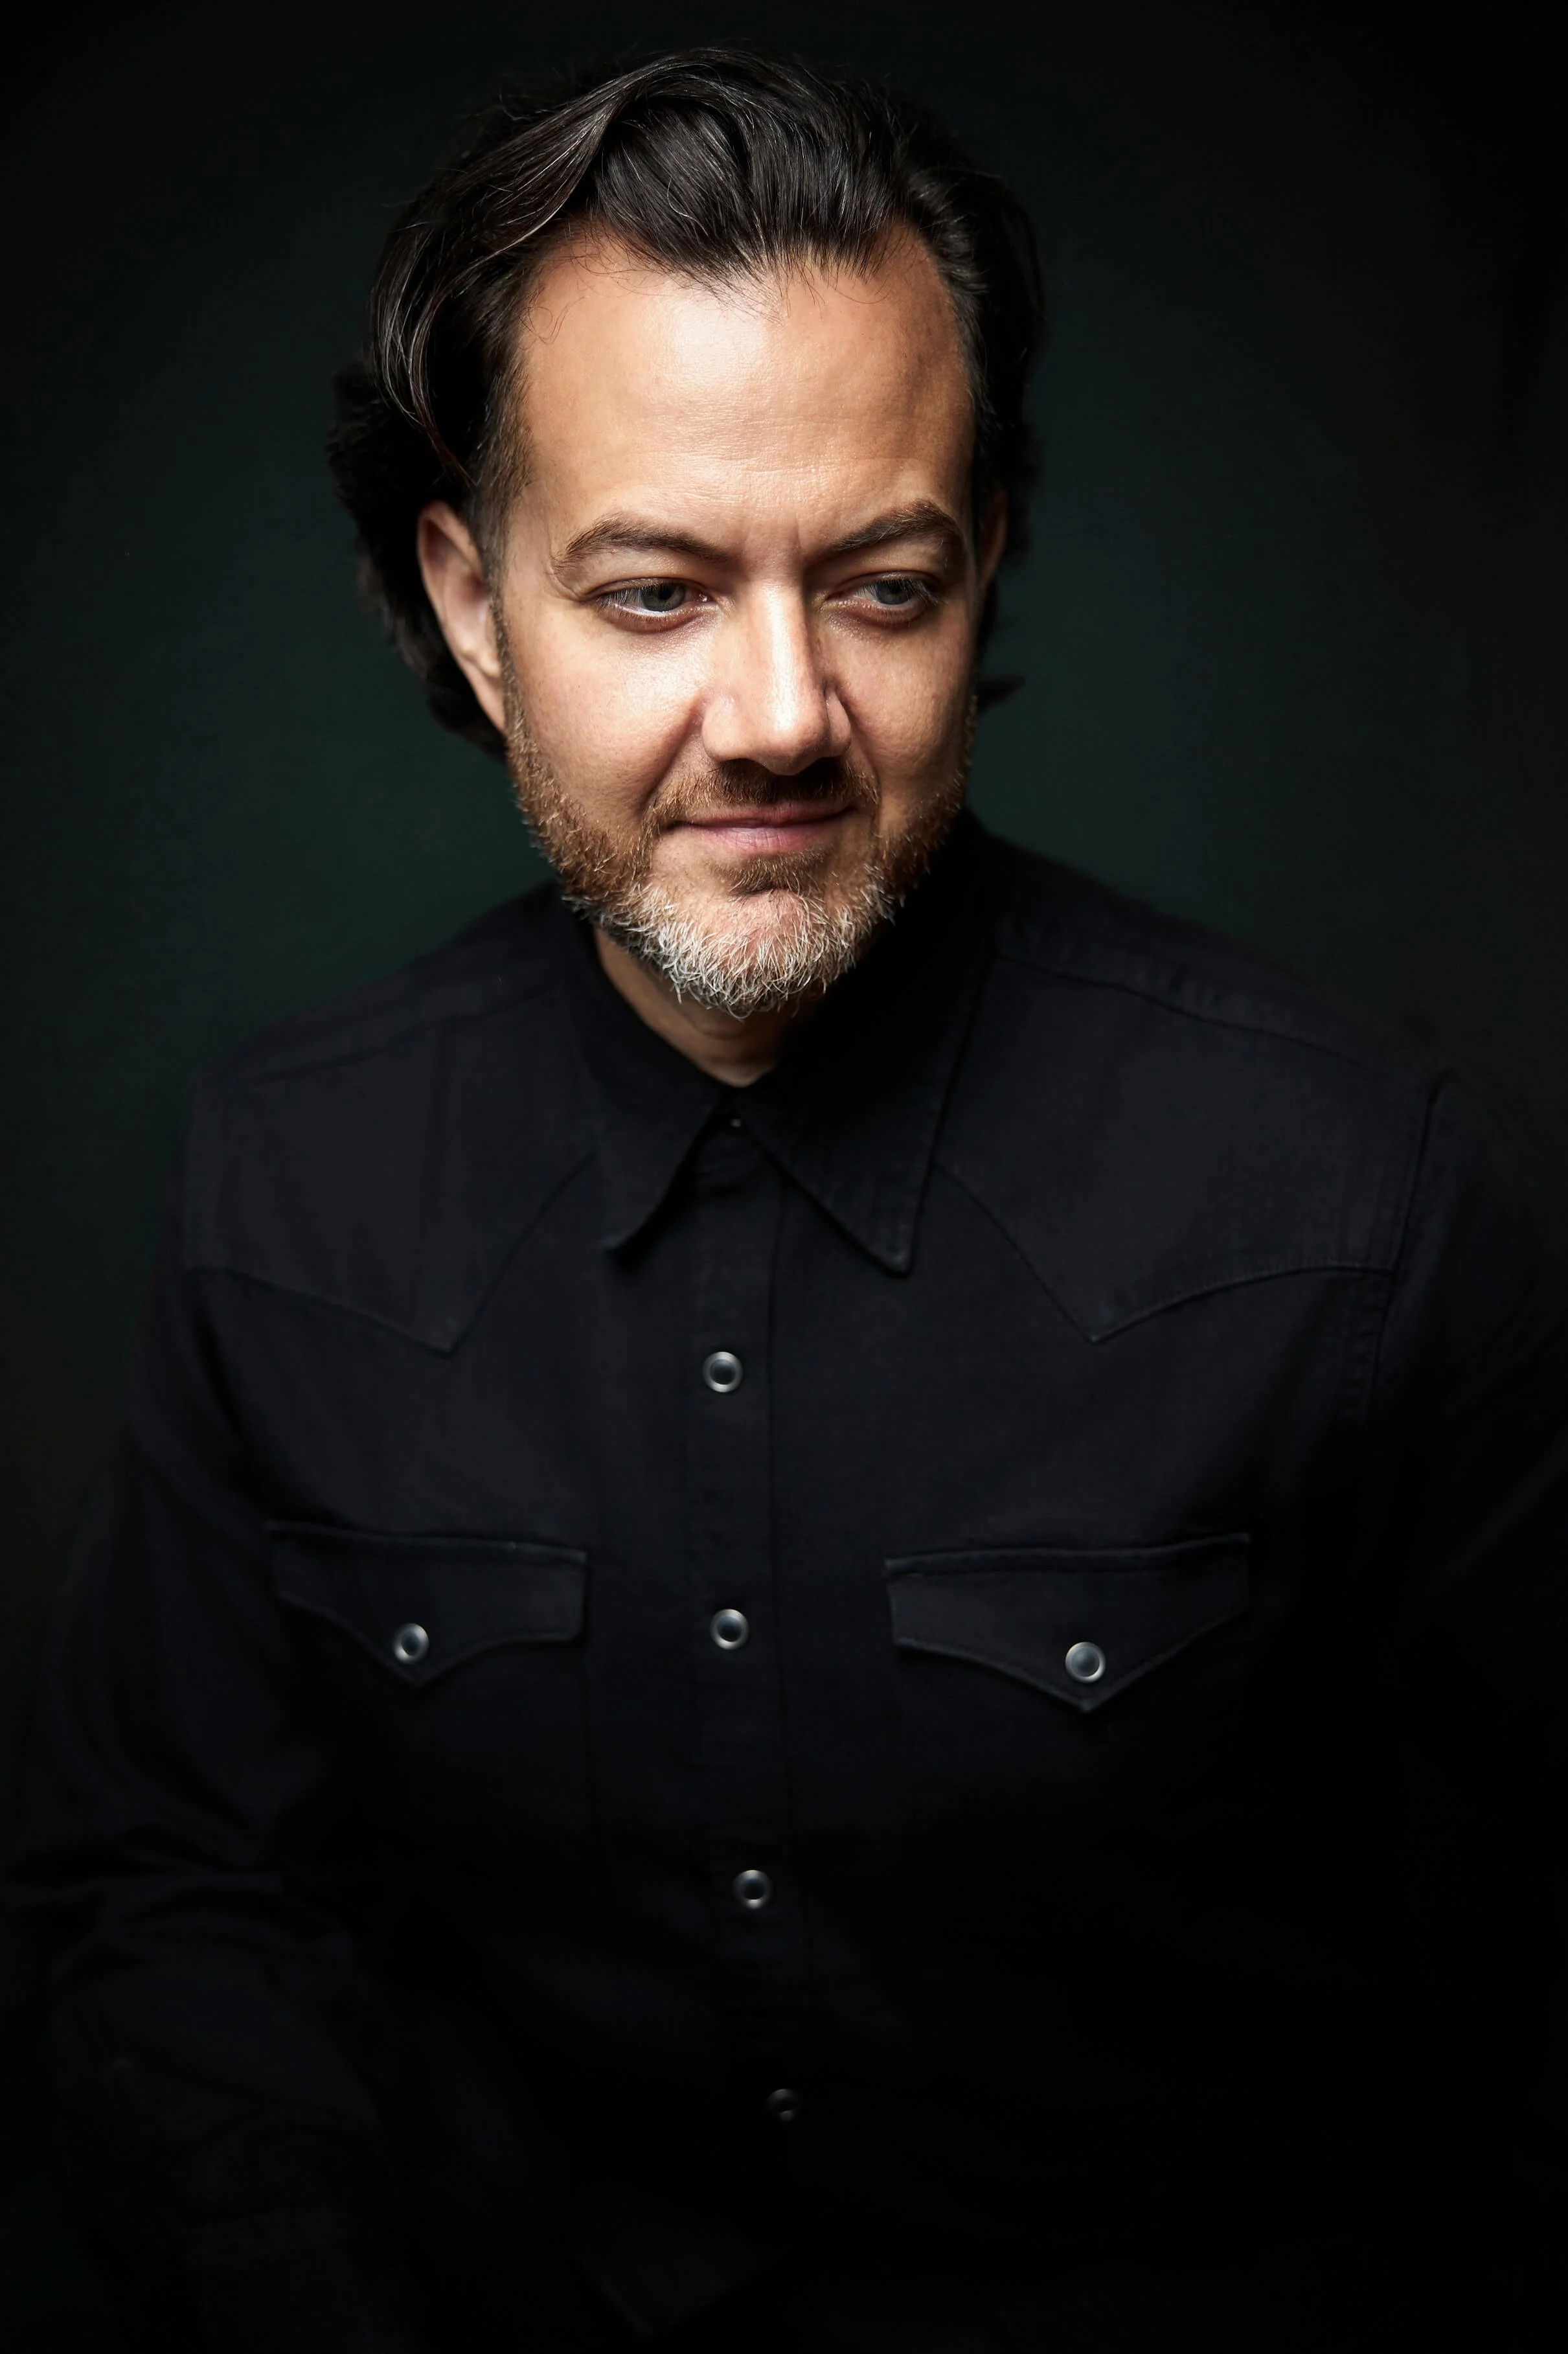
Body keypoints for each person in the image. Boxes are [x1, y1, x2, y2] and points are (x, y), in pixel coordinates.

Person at [19, 43, 1568, 2354]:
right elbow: (188, 1900)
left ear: (988, 564)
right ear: (469, 600)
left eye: (880, 583)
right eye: (651, 593)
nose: (776, 713)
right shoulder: (284, 1182)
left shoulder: (1361, 1193)